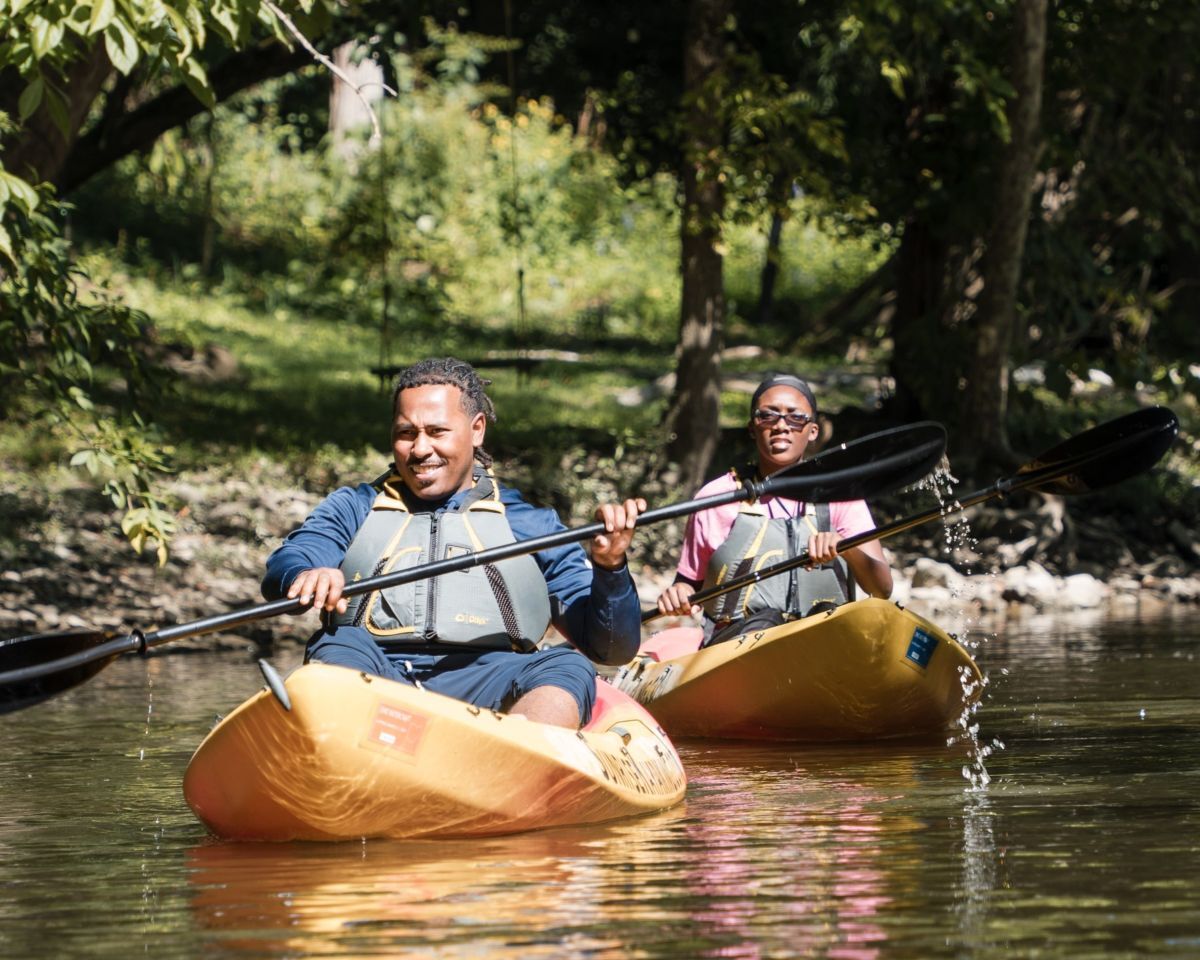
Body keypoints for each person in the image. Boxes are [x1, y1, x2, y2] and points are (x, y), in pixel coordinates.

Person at [262, 357, 646, 729]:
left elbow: (610, 650)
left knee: (568, 665)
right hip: (375, 672)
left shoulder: (530, 523)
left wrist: (611, 568)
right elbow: (292, 558)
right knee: (334, 643)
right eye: (406, 433)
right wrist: (307, 573)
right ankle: (345, 743)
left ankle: (516, 754)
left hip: (489, 679)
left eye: (437, 431)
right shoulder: (356, 506)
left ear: (477, 429)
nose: (419, 449)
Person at [656, 372, 892, 645]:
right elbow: (687, 585)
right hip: (738, 646)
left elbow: (882, 588)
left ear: (812, 431)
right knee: (766, 620)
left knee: (823, 616)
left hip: (824, 643)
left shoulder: (841, 495)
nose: (781, 425)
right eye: (768, 416)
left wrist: (846, 546)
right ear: (752, 428)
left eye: (795, 417)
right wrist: (677, 594)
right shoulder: (716, 497)